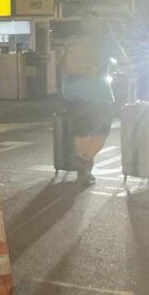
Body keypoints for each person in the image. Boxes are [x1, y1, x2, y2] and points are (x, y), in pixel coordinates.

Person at [60, 13, 120, 185]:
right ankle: (84, 162)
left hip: (72, 94)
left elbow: (63, 64)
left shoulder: (72, 41)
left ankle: (82, 163)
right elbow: (124, 59)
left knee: (81, 130)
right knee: (102, 130)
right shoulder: (104, 40)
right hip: (97, 94)